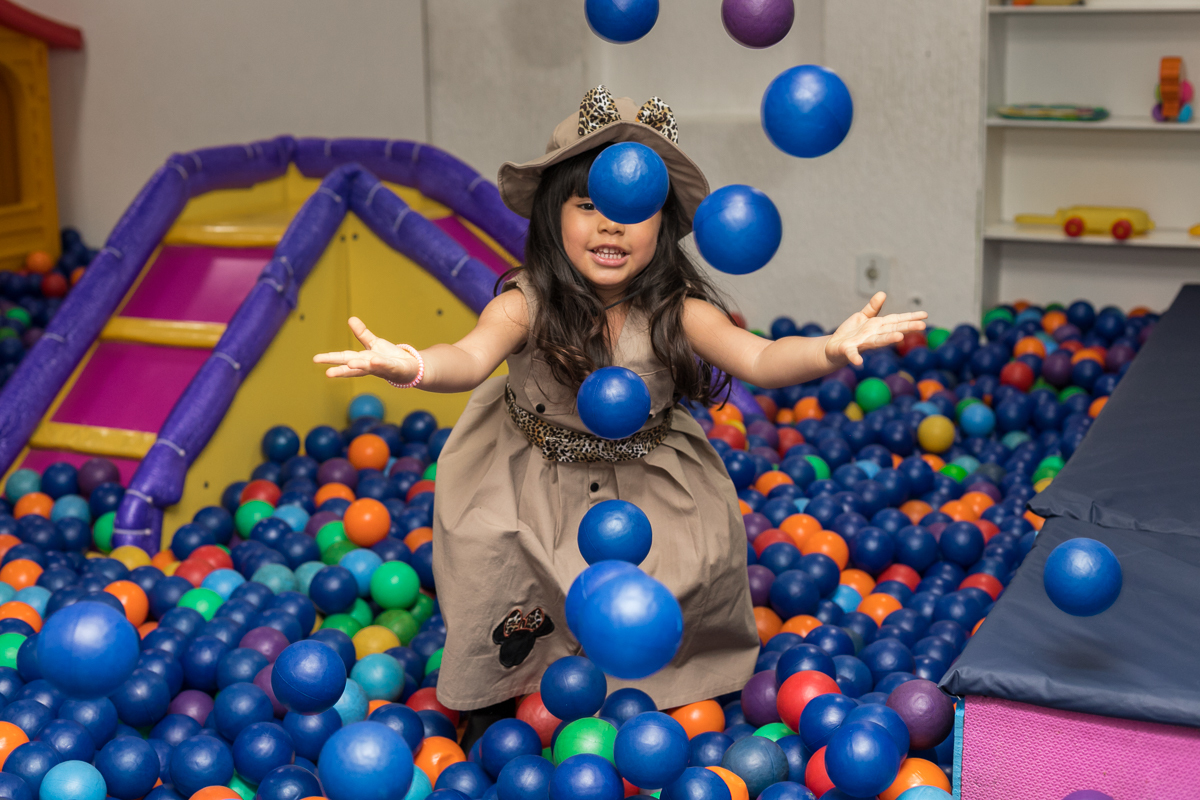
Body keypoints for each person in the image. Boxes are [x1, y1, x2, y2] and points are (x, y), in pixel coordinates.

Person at [314, 85, 926, 742]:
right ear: (553, 218)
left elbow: (762, 358)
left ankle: (658, 688)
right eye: (589, 206)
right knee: (497, 556)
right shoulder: (528, 302)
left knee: (686, 569)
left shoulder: (678, 308)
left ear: (662, 224)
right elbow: (467, 357)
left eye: (634, 211)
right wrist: (411, 364)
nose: (611, 224)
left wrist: (830, 348)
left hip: (648, 482)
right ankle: (503, 691)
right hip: (531, 477)